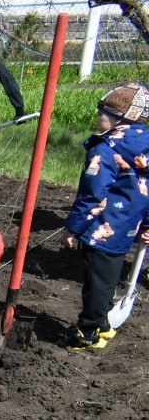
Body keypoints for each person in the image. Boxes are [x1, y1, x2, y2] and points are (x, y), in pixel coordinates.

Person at [60, 84, 149, 350]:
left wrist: (72, 229)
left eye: (101, 113)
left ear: (114, 117)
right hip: (128, 227)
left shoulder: (106, 147)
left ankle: (88, 333)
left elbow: (93, 194)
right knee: (107, 278)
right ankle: (105, 324)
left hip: (103, 227)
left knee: (96, 282)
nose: (98, 118)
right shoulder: (144, 144)